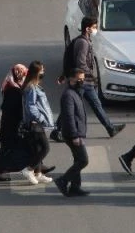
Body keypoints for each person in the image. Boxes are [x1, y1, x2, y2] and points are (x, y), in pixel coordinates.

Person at [53, 17, 125, 141]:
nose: (95, 30)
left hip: (85, 82)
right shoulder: (83, 43)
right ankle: (57, 130)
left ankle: (110, 128)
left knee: (95, 105)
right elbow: (80, 63)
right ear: (87, 28)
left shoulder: (85, 41)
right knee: (72, 105)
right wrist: (92, 76)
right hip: (82, 82)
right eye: (94, 27)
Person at [55, 69, 90, 197]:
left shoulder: (76, 92)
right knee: (83, 160)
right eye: (79, 79)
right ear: (71, 80)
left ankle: (75, 187)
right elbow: (69, 116)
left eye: (83, 79)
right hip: (71, 134)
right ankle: (63, 180)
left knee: (78, 160)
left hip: (76, 132)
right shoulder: (68, 95)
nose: (82, 81)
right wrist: (75, 136)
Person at [0, 64, 31, 181]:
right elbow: (15, 109)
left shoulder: (11, 86)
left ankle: (34, 166)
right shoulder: (14, 90)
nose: (25, 78)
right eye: (24, 75)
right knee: (7, 148)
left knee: (9, 147)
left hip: (9, 124)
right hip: (10, 125)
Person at [21, 60, 55, 185]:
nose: (43, 72)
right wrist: (40, 118)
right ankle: (28, 170)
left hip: (36, 123)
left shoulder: (34, 86)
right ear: (36, 73)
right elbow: (31, 106)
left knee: (38, 149)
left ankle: (38, 174)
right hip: (35, 124)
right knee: (45, 148)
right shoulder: (31, 88)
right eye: (42, 71)